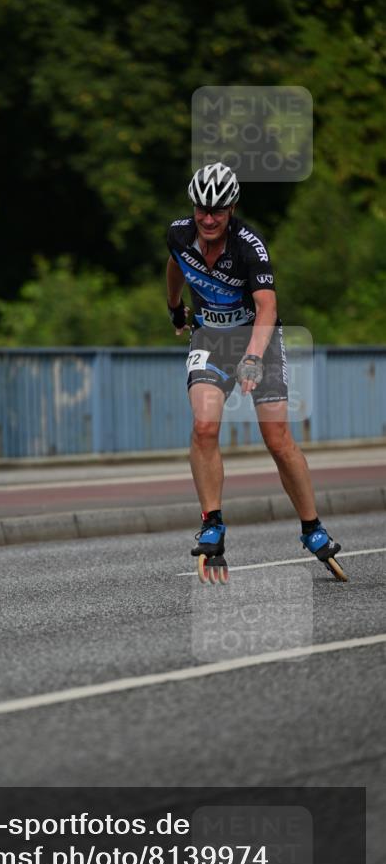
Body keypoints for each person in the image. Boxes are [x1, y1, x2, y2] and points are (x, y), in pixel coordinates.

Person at [165, 161, 346, 582]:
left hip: (258, 338)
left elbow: (267, 307)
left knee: (277, 438)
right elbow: (176, 264)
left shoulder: (250, 247)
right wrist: (175, 307)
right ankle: (212, 523)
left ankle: (312, 528)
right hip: (210, 339)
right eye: (202, 210)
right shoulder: (178, 233)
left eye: (219, 211)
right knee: (205, 427)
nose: (209, 219)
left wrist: (251, 357)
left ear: (232, 209)